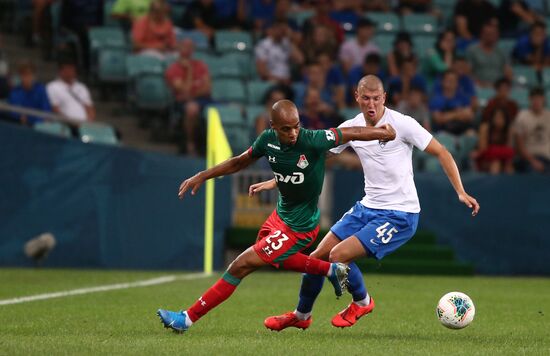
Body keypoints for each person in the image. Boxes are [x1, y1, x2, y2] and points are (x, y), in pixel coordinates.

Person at [252, 75, 479, 331]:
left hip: (400, 213)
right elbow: (314, 156)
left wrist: (460, 191)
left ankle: (363, 301)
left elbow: (442, 152)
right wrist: (276, 180)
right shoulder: (353, 126)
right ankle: (301, 316)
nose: (371, 104)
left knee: (338, 256)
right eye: (366, 98)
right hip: (367, 207)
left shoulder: (403, 124)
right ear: (357, 97)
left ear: (384, 98)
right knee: (316, 258)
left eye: (376, 98)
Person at [156, 99, 397, 333]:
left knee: (240, 265)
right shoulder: (267, 141)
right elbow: (240, 162)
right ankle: (329, 270)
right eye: (285, 129)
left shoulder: (312, 139)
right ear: (273, 128)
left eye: (296, 126)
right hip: (279, 217)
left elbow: (351, 133)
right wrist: (203, 175)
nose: (293, 133)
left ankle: (186, 319)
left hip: (300, 227)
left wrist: (383, 133)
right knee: (272, 258)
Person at [165, 39, 211, 156]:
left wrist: (193, 93)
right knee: (192, 109)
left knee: (234, 108)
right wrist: (189, 70)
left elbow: (207, 88)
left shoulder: (201, 65)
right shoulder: (173, 69)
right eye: (185, 47)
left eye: (190, 47)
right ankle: (190, 143)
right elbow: (184, 91)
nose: (187, 50)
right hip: (182, 102)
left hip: (204, 100)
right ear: (179, 49)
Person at [514, 87, 550, 173]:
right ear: (529, 99)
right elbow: (519, 145)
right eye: (534, 98)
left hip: (547, 158)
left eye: (539, 98)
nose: (536, 101)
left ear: (543, 99)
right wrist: (532, 161)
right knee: (533, 174)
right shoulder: (522, 117)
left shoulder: (549, 116)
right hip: (529, 159)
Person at [8, 60, 52, 126]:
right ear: (20, 76)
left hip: (39, 126)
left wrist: (34, 120)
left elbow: (46, 111)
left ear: (34, 75)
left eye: (29, 74)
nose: (27, 78)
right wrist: (20, 117)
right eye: (24, 75)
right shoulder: (15, 92)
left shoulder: (41, 90)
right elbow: (14, 113)